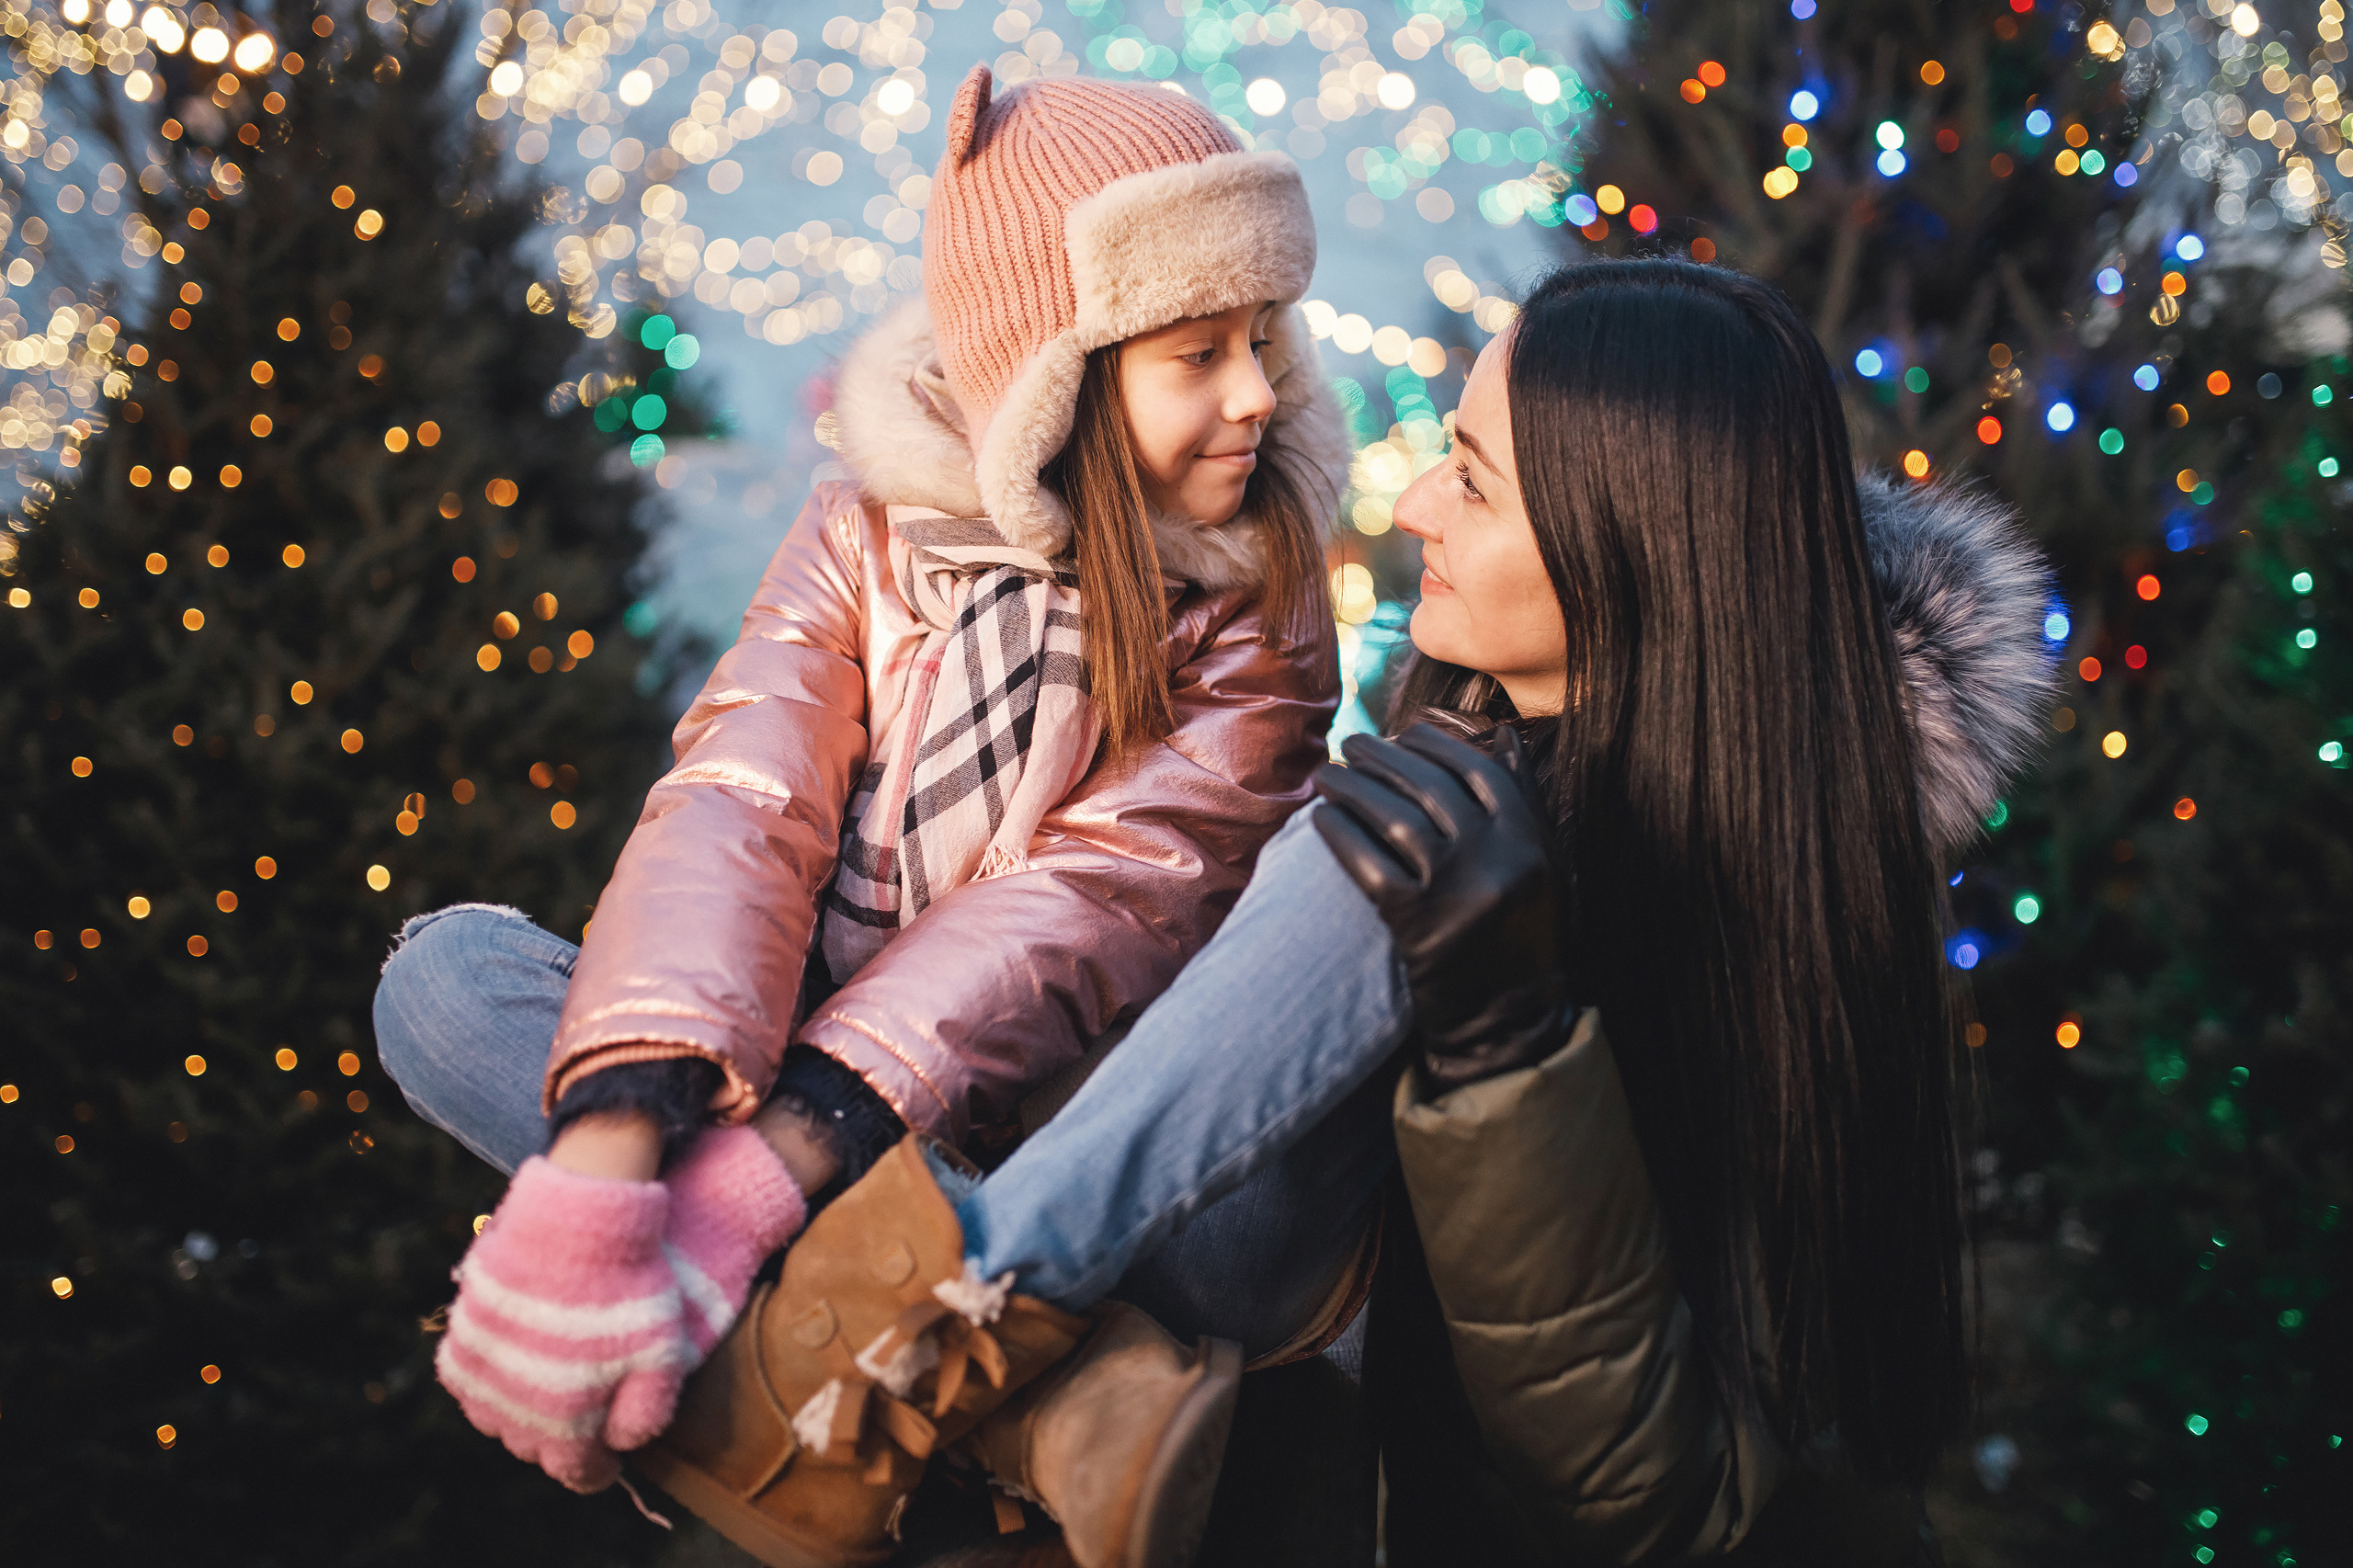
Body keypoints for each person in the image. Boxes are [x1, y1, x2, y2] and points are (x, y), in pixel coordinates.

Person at [667, 258, 2055, 1567]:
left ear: (1630, 552)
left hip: (1401, 1488)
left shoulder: (1800, 920)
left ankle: (885, 1325)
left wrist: (1510, 1046)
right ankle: (901, 1330)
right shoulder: (1466, 756)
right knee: (460, 986)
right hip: (1221, 1392)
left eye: (1475, 482)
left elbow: (1666, 1501)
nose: (1415, 512)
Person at [369, 62, 1349, 1510]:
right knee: (441, 982)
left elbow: (1084, 907)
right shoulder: (863, 535)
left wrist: (763, 1172)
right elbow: (740, 806)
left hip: (1073, 1142)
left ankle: (804, 1361)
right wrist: (617, 1135)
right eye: (1196, 350)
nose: (1258, 393)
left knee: (1241, 1220)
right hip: (837, 1079)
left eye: (1259, 338)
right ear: (1052, 382)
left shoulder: (1261, 598)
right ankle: (1020, 1403)